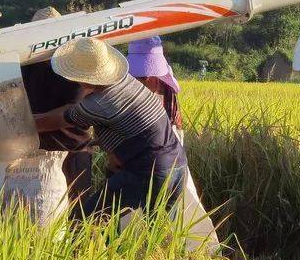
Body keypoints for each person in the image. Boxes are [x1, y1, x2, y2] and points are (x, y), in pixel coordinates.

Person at [34, 37, 187, 219]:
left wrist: (15, 122)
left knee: (84, 221)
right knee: (161, 233)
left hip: (150, 173)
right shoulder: (128, 82)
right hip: (177, 167)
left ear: (81, 79)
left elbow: (52, 121)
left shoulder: (99, 104)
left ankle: (86, 247)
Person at [22, 6, 96, 205]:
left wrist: (31, 123)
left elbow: (75, 111)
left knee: (76, 212)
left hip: (72, 152)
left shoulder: (73, 66)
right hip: (39, 156)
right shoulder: (24, 66)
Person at [127, 36, 182, 133]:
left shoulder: (167, 91)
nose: (146, 76)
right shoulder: (121, 92)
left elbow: (176, 127)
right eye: (140, 76)